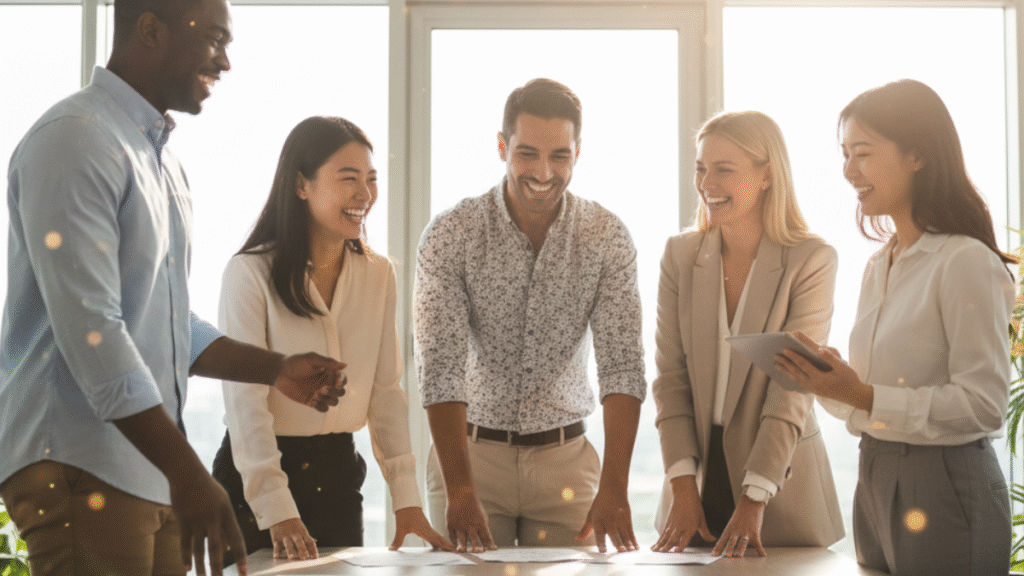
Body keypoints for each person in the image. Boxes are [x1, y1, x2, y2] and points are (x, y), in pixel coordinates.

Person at [0, 1, 347, 575]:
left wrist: (276, 370)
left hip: (145, 465)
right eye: (214, 39)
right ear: (150, 30)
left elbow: (166, 321)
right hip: (80, 460)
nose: (225, 62)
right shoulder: (75, 140)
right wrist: (189, 470)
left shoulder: (162, 164)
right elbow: (93, 330)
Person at [777, 79, 1015, 576]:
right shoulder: (879, 265)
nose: (849, 170)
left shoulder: (964, 261)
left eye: (863, 153)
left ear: (918, 155)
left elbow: (983, 405)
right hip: (875, 472)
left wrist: (863, 395)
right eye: (845, 154)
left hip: (945, 482)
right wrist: (828, 382)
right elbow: (870, 400)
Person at [414, 78, 646, 553]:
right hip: (470, 463)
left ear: (578, 152)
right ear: (502, 147)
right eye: (527, 154)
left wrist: (615, 485)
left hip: (566, 466)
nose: (544, 171)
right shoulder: (451, 234)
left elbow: (622, 366)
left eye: (560, 155)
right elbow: (440, 370)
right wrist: (461, 490)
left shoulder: (607, 237)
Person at [212, 116, 452, 560]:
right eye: (348, 179)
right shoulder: (248, 273)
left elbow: (386, 393)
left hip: (338, 476)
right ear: (301, 185)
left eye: (371, 179)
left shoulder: (379, 274)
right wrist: (276, 509)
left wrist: (406, 500)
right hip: (255, 482)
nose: (365, 194)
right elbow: (245, 405)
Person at [650, 111, 844, 558]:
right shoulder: (680, 255)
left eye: (724, 169)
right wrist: (683, 489)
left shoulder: (811, 260)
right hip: (693, 483)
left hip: (778, 486)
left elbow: (791, 388)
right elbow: (671, 380)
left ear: (767, 175)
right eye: (701, 168)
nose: (706, 183)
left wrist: (754, 499)